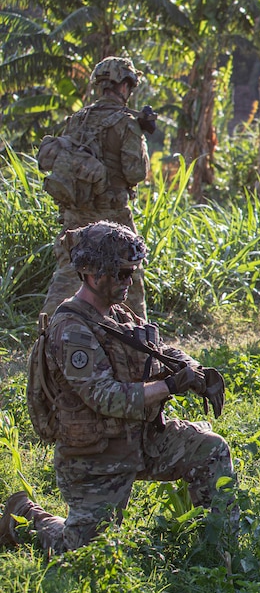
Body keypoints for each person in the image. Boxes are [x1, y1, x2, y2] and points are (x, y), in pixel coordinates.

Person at [3, 222, 234, 553]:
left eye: (133, 272)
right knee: (86, 553)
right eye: (121, 274)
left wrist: (190, 368)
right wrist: (170, 385)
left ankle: (217, 550)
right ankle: (24, 517)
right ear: (93, 274)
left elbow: (157, 352)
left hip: (143, 440)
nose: (129, 281)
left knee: (210, 449)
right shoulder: (72, 330)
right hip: (96, 457)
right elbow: (106, 397)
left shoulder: (118, 315)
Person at [40, 57, 154, 318]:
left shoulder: (78, 119)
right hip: (113, 213)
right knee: (129, 272)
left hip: (76, 213)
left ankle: (47, 334)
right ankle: (138, 339)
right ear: (124, 86)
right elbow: (135, 172)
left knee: (69, 272)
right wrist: (141, 134)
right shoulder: (127, 122)